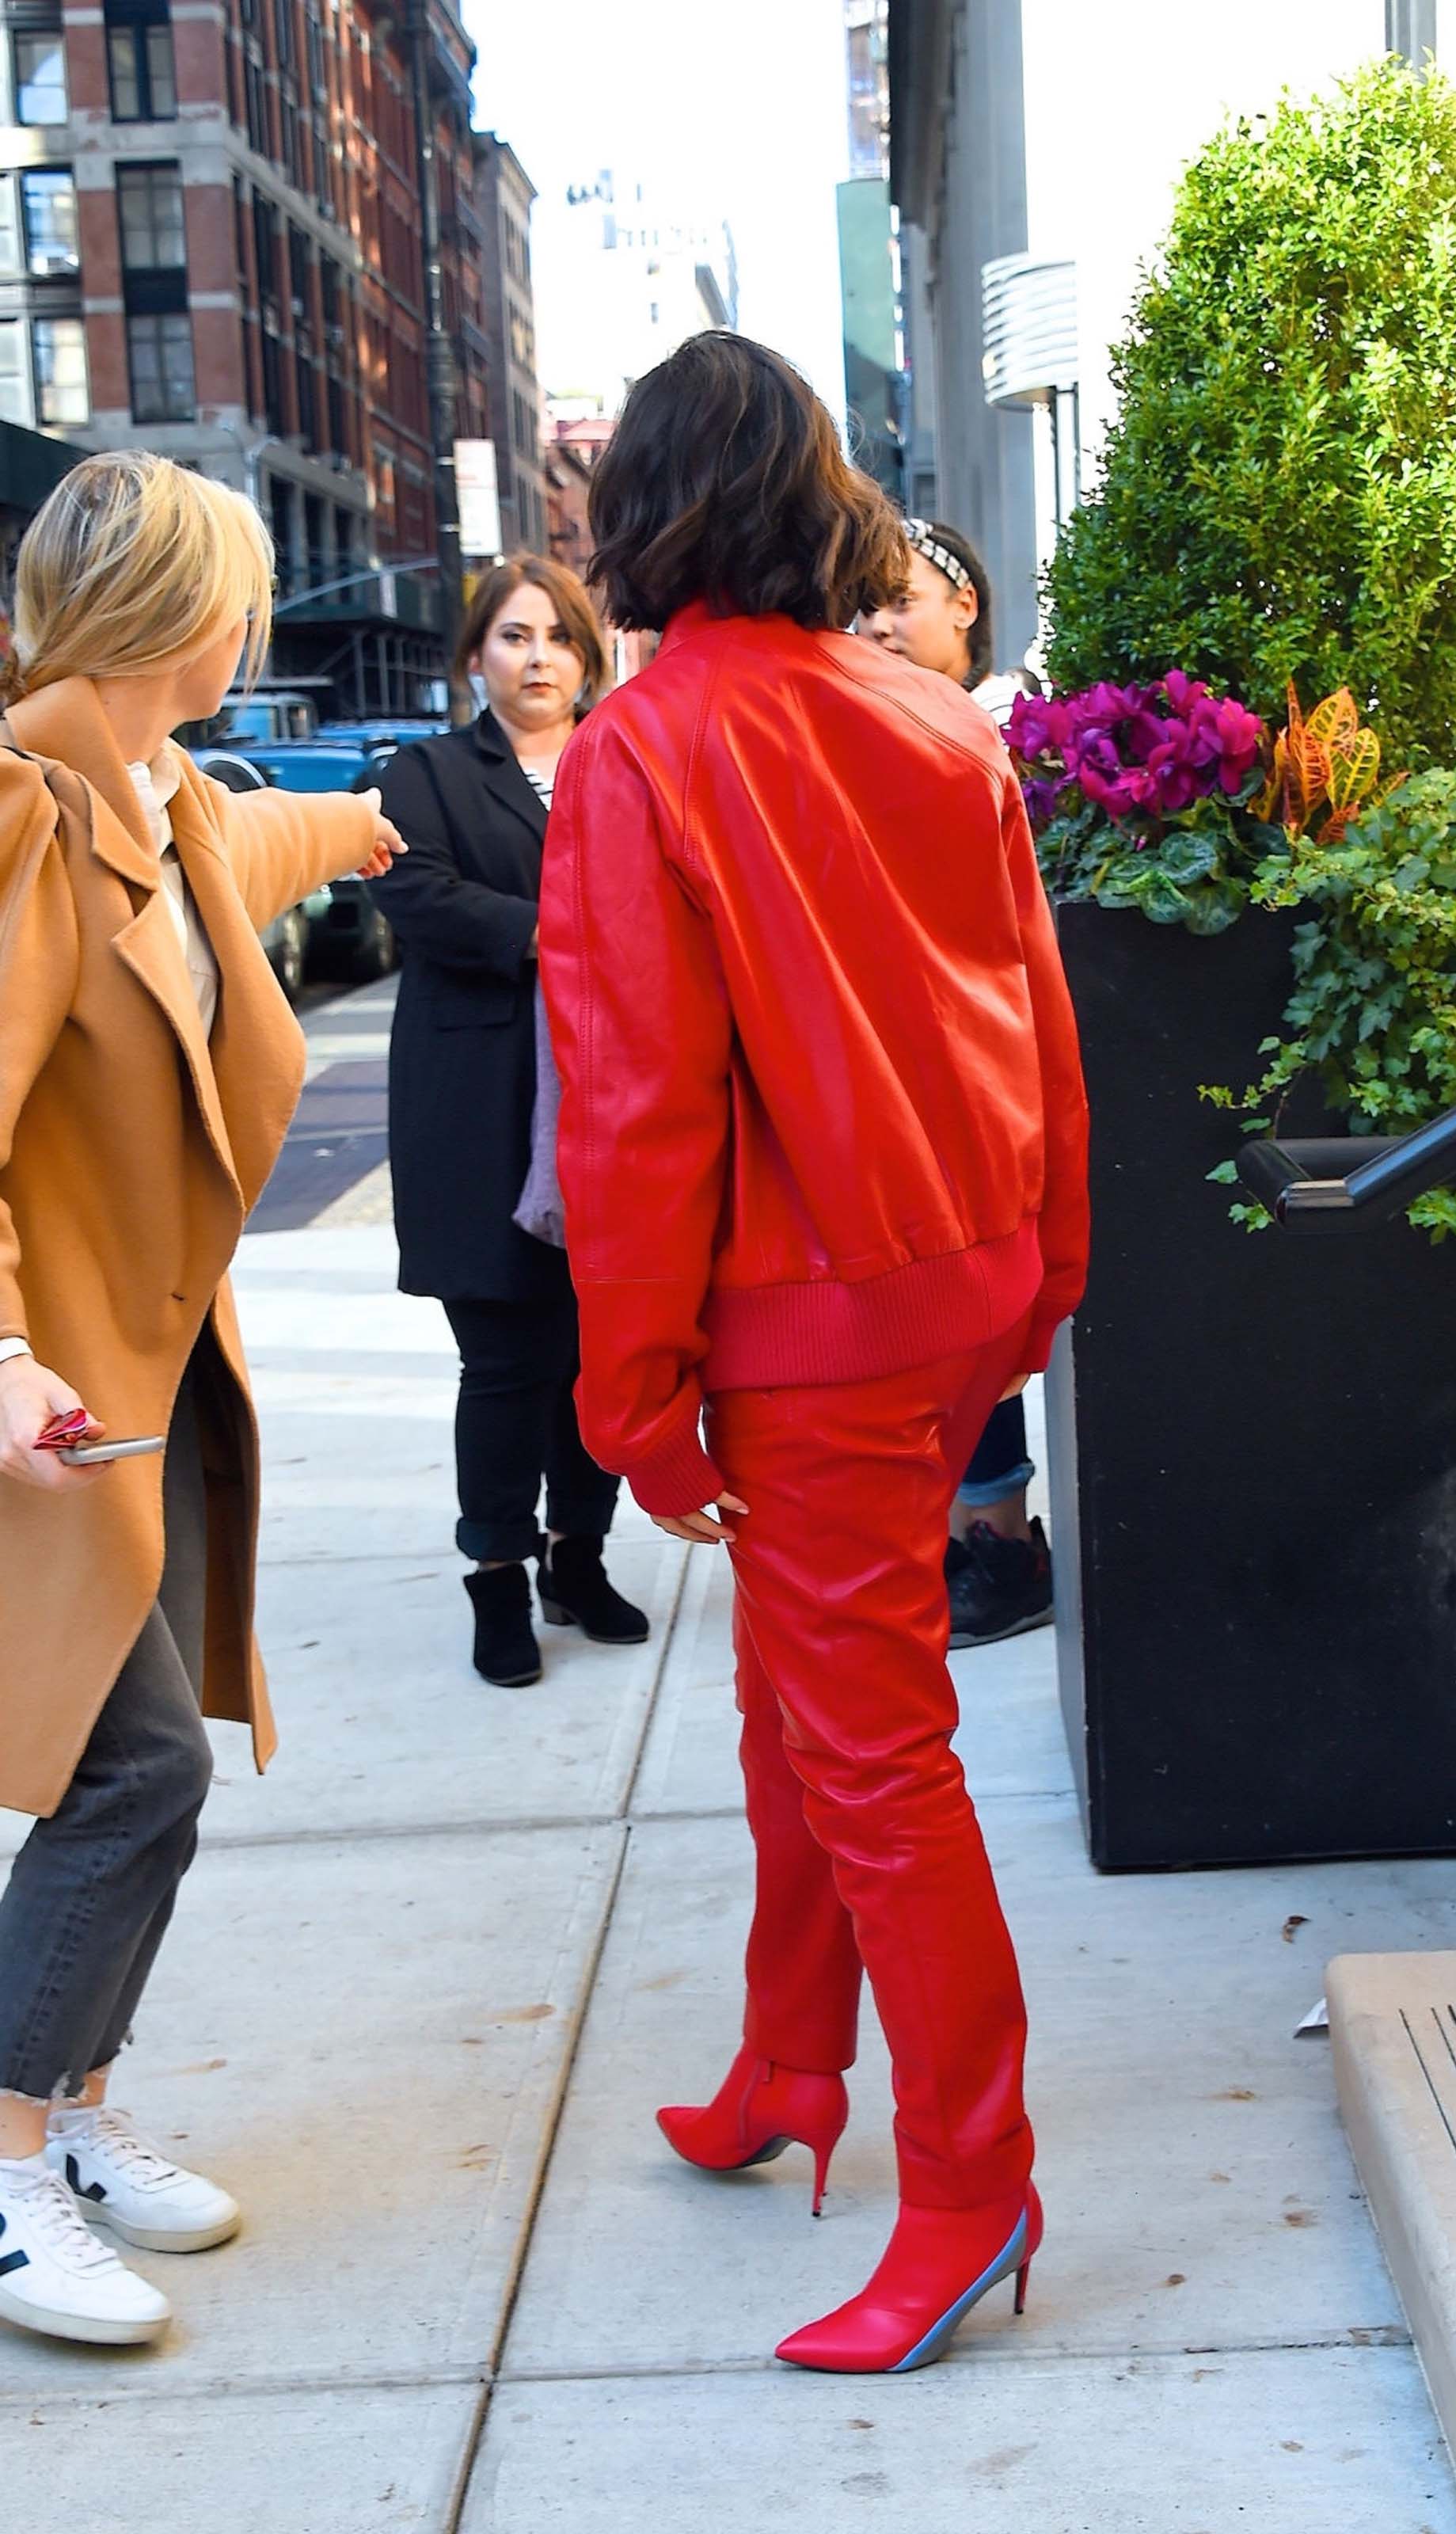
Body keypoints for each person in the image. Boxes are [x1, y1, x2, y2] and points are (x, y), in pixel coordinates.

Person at [538, 333, 1089, 2373]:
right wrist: (1048, 1268)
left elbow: (634, 1109)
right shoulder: (938, 722)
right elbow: (1039, 1029)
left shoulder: (642, 748)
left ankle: (968, 2181)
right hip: (952, 1294)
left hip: (806, 1332)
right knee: (810, 1699)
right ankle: (791, 2063)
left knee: (865, 1748)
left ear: (643, 510)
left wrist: (630, 1389)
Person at [0, 451, 404, 2348]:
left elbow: (239, 861)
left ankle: (76, 2116)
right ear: (175, 617)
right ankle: (7, 2164)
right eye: (234, 591)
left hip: (144, 1404)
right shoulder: (20, 812)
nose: (252, 622)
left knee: (146, 1784)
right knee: (135, 1770)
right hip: (45, 1408)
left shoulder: (155, 796)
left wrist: (365, 832)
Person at [372, 558, 647, 1689]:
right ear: (474, 655)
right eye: (513, 637)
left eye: (558, 639)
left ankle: (576, 1561)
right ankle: (497, 1573)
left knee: (604, 1357)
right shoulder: (426, 773)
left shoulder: (625, 762)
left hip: (619, 1097)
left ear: (587, 657)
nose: (537, 659)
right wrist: (564, 935)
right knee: (503, 1361)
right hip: (478, 1106)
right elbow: (413, 892)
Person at [858, 517, 1056, 1649]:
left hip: (985, 1067)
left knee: (982, 1313)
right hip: (909, 1066)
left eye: (899, 600)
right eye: (864, 606)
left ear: (962, 605)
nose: (880, 623)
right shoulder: (881, 725)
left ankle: (1000, 1544)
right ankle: (957, 1535)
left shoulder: (1015, 730)